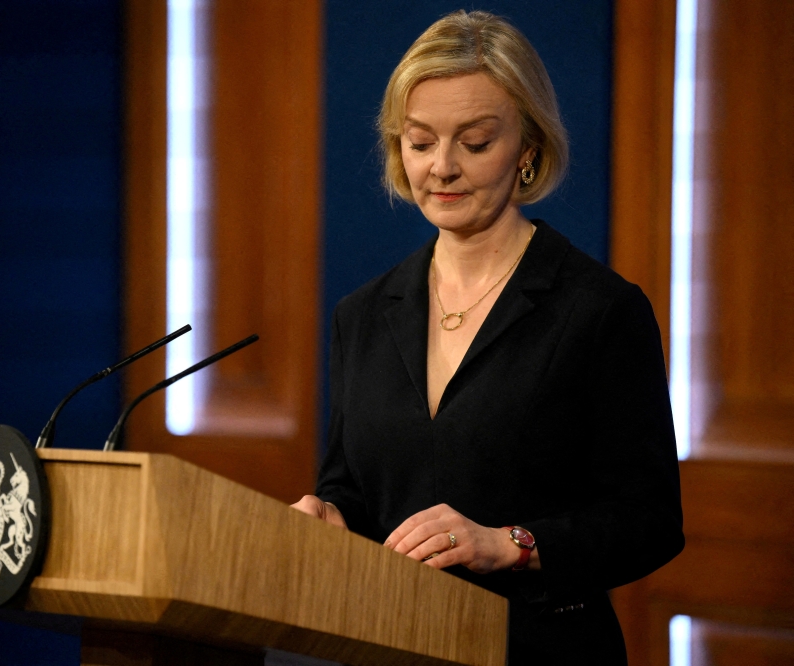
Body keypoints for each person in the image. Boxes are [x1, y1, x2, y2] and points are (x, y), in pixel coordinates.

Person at [291, 10, 684, 664]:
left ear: (528, 147)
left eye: (474, 142)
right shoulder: (360, 314)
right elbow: (353, 492)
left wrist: (512, 543)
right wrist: (330, 520)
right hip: (386, 642)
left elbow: (649, 524)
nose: (442, 167)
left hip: (541, 648)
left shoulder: (598, 310)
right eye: (420, 142)